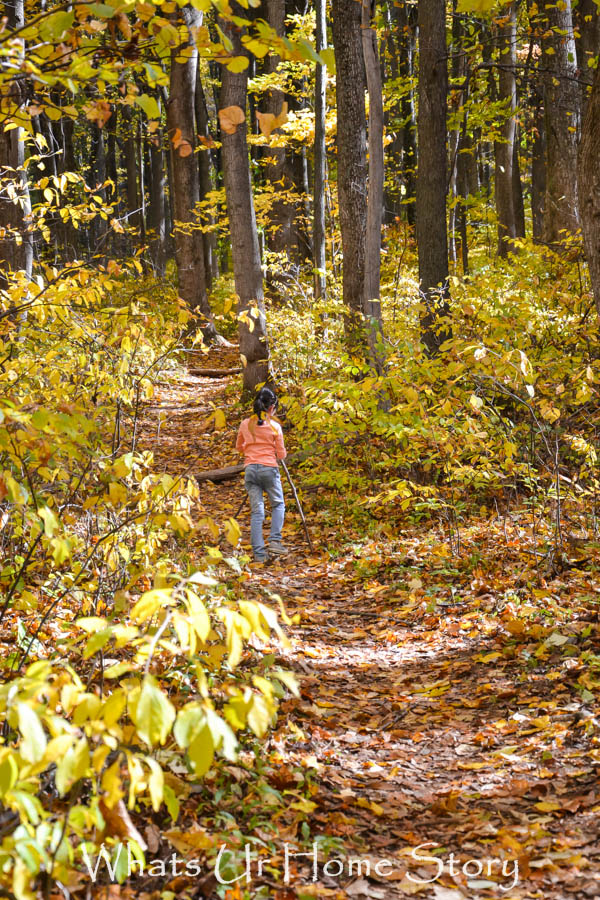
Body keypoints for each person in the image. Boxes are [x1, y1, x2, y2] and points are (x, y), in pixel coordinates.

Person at [236, 387, 288, 563]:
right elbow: (281, 455)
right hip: (269, 470)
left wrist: (250, 449)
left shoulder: (245, 424)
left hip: (251, 470)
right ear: (271, 408)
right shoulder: (275, 427)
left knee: (257, 512)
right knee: (278, 505)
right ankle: (274, 540)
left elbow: (239, 447)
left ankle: (259, 555)